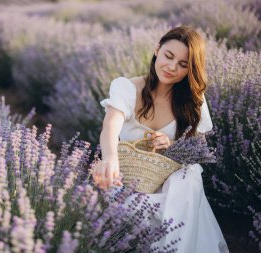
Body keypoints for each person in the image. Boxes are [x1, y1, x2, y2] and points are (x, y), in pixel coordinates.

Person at [92, 26, 229, 252]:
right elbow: (110, 125)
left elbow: (199, 147)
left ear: (190, 69)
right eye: (169, 56)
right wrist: (110, 158)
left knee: (189, 176)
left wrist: (171, 145)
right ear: (157, 49)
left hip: (171, 178)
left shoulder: (193, 98)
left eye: (183, 64)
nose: (172, 67)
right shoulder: (127, 87)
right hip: (130, 175)